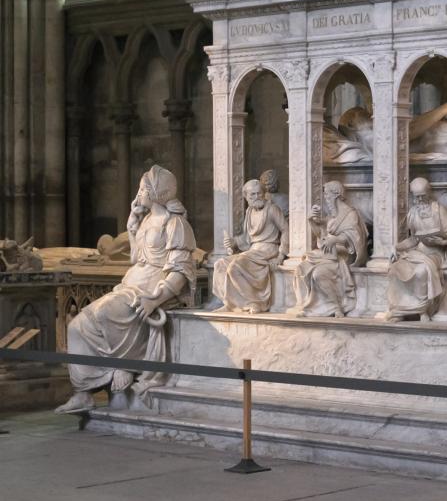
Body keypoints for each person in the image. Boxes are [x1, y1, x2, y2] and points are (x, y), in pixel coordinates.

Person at [54, 165, 197, 413]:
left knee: (97, 315)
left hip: (148, 290)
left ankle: (125, 366)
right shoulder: (147, 220)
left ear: (156, 192)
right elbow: (135, 258)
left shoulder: (175, 224)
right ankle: (84, 390)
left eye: (143, 189)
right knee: (76, 326)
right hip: (131, 284)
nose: (138, 194)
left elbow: (181, 271)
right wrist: (133, 226)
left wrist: (156, 299)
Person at [384, 178, 447, 321]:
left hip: (436, 253)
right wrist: (395, 247)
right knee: (395, 268)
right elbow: (413, 239)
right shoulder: (413, 213)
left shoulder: (439, 210)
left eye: (422, 195)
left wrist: (444, 241)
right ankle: (400, 311)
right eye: (416, 196)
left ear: (429, 193)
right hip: (418, 252)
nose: (420, 199)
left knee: (422, 271)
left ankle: (422, 311)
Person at [289, 181, 368, 318]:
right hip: (327, 254)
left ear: (336, 194)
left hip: (342, 256)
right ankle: (306, 306)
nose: (325, 198)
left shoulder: (350, 214)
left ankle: (335, 308)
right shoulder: (332, 215)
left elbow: (356, 237)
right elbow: (321, 235)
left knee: (318, 274)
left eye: (327, 195)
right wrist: (312, 220)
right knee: (301, 268)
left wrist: (336, 239)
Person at [212, 179, 288, 314]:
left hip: (268, 249)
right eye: (252, 194)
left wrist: (281, 255)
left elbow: (286, 230)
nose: (256, 197)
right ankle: (231, 303)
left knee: (235, 266)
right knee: (220, 264)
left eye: (259, 193)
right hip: (254, 250)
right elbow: (247, 239)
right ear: (246, 197)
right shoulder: (249, 212)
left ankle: (254, 302)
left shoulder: (272, 209)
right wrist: (234, 242)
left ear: (264, 193)